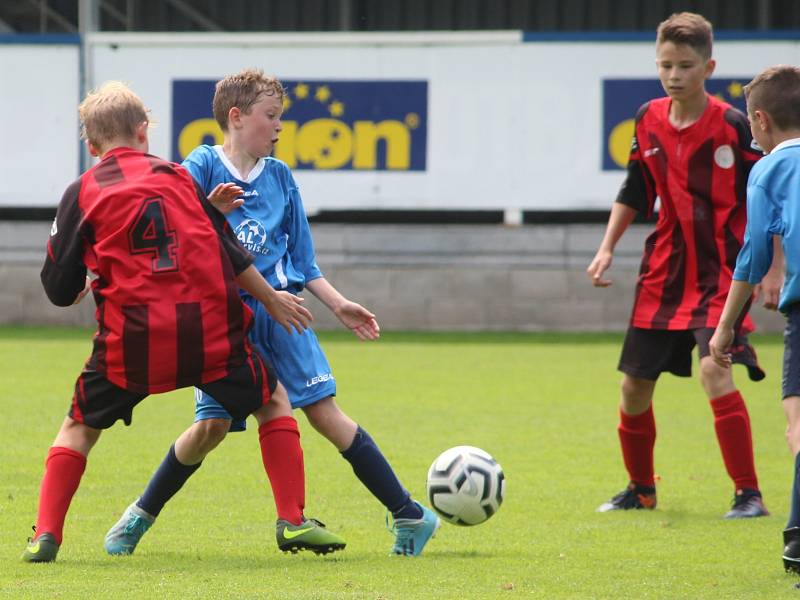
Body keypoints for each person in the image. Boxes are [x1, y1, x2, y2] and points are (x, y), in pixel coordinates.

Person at [105, 69, 440, 557]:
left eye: (281, 118)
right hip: (223, 321)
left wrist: (337, 302)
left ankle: (407, 514)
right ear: (236, 118)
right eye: (271, 117)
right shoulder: (201, 165)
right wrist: (211, 211)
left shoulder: (281, 178)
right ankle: (139, 516)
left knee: (324, 413)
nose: (280, 127)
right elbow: (176, 230)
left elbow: (302, 262)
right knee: (210, 428)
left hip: (282, 312)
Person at [22, 81, 344, 563]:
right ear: (143, 131)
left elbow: (57, 288)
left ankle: (46, 534)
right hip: (206, 334)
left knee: (78, 428)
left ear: (91, 146)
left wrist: (82, 283)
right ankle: (292, 520)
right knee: (273, 402)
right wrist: (271, 300)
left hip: (130, 342)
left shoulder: (83, 191)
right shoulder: (176, 178)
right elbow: (225, 248)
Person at [586, 12, 782, 518]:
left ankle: (748, 494)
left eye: (686, 66)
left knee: (714, 373)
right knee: (632, 386)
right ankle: (641, 489)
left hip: (722, 274)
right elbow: (634, 188)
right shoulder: (647, 117)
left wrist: (773, 269)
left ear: (708, 66)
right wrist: (607, 246)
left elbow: (771, 196)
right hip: (663, 275)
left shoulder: (733, 125)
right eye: (666, 65)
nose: (675, 75)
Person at [710, 65, 800, 571]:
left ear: (761, 120)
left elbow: (752, 258)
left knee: (798, 428)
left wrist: (725, 329)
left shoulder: (767, 168)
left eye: (748, 121)